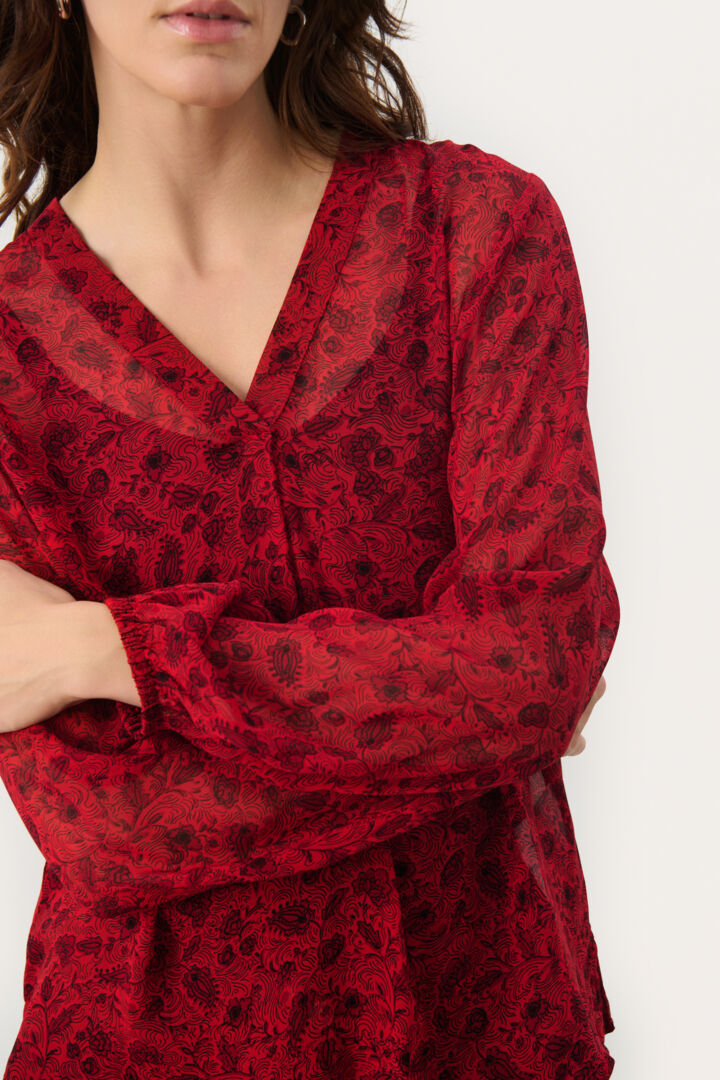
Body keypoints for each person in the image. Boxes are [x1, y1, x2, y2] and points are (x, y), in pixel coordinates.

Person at [0, 1, 620, 1077]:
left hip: (487, 1028)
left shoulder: (473, 230)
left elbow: (539, 662)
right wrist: (465, 719)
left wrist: (116, 652)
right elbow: (108, 822)